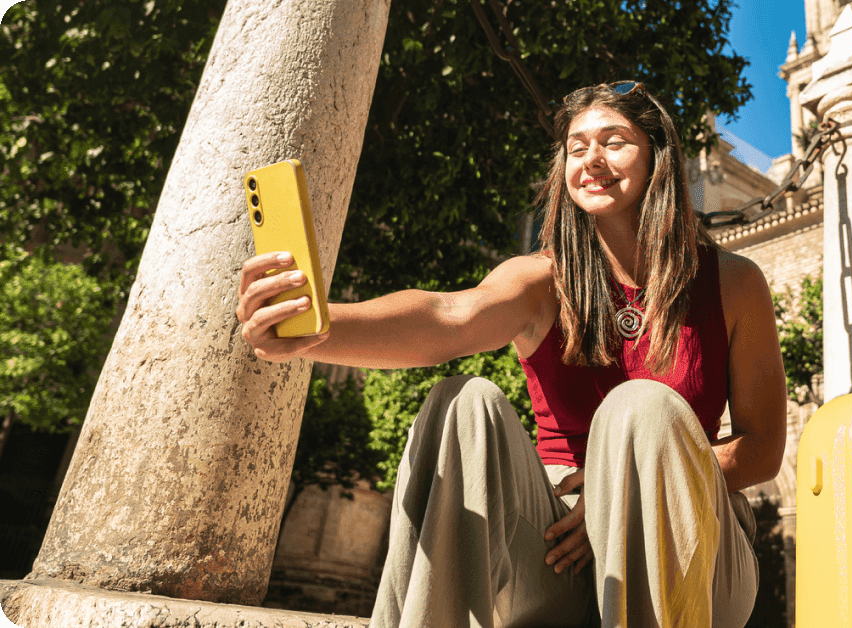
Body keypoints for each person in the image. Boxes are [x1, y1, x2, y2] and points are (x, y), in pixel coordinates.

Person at [236, 81, 787, 628]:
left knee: (642, 406)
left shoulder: (733, 283)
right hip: (557, 546)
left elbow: (762, 449)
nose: (591, 159)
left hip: (696, 549)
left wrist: (622, 493)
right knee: (461, 404)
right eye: (576, 147)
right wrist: (317, 328)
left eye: (614, 141)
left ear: (658, 159)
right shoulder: (542, 279)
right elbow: (447, 317)